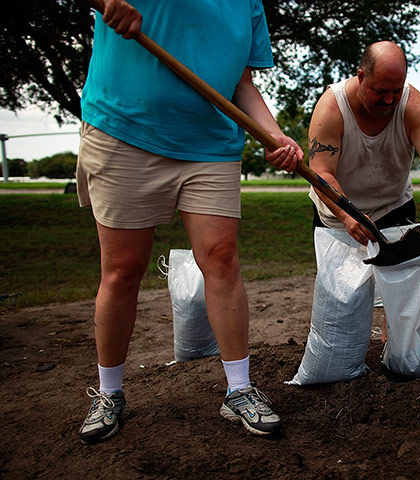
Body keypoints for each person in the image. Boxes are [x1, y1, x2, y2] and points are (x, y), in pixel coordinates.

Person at [76, 0, 303, 444]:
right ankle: (109, 394)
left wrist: (274, 134)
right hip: (125, 130)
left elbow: (241, 83)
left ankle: (239, 390)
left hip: (210, 144)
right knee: (123, 270)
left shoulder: (247, 5)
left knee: (222, 259)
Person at [292, 41, 420, 383]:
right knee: (345, 294)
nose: (390, 101)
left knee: (402, 291)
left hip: (394, 206)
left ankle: (400, 353)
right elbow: (323, 173)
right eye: (381, 91)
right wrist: (349, 217)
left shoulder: (412, 105)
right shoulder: (332, 109)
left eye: (396, 91)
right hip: (339, 212)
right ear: (361, 76)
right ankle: (339, 361)